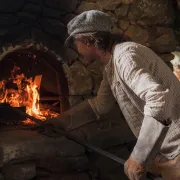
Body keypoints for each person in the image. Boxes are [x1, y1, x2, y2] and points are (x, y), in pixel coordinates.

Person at [40, 10, 180, 180]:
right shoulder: (112, 66)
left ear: (88, 41)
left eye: (75, 43)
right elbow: (99, 106)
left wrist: (139, 155)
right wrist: (60, 122)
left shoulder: (125, 57)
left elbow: (158, 99)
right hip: (168, 152)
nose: (75, 49)